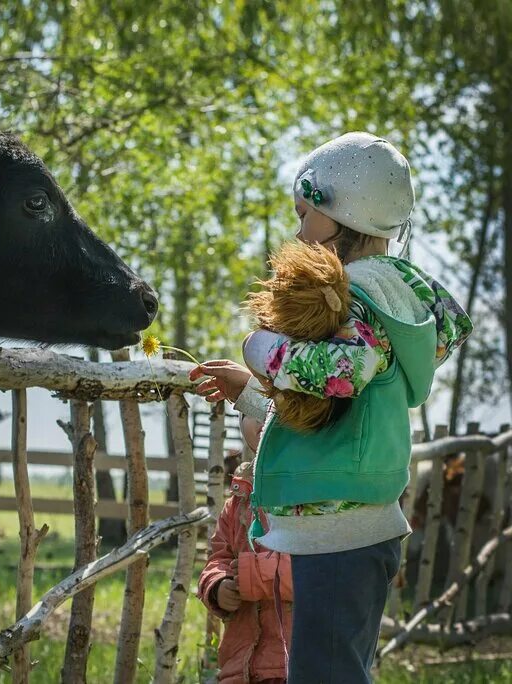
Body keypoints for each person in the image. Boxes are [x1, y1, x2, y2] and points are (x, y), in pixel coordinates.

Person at [190, 132, 473, 682]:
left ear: (346, 214)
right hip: (348, 527)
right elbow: (323, 415)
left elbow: (343, 374)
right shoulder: (388, 296)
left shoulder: (360, 295)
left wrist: (261, 350)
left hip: (340, 533)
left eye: (306, 214)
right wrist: (247, 391)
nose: (299, 232)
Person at [198, 460, 291, 684]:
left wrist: (257, 575)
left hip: (291, 665)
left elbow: (322, 571)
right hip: (239, 665)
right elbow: (219, 557)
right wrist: (217, 586)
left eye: (270, 421)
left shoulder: (314, 496)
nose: (262, 424)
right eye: (253, 420)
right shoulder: (238, 500)